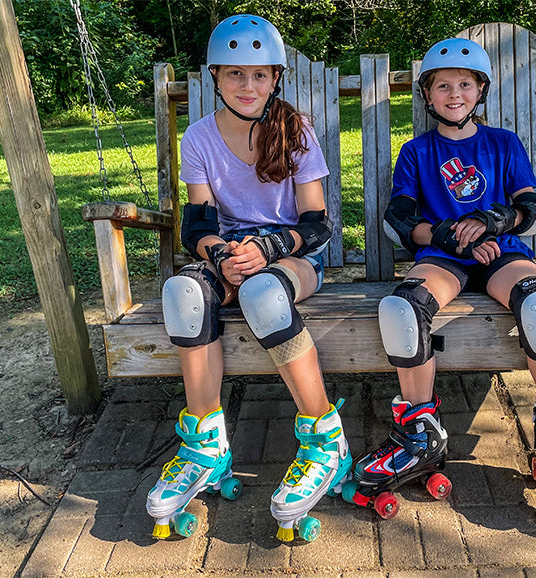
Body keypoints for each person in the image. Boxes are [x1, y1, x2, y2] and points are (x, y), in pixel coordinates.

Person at [347, 37, 536, 526]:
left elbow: (535, 210)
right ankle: (419, 434)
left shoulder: (502, 143)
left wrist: (492, 223)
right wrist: (449, 235)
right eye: (442, 86)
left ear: (481, 91)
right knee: (402, 308)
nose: (454, 93)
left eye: (465, 84)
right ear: (427, 95)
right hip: (443, 255)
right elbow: (400, 217)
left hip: (502, 252)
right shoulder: (416, 150)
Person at [146, 15, 350, 543]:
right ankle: (205, 446)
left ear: (276, 78)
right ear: (214, 77)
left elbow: (317, 223)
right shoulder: (199, 137)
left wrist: (266, 249)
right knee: (182, 291)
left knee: (262, 291)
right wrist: (220, 256)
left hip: (292, 256)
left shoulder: (295, 130)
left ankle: (326, 440)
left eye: (260, 75)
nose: (248, 86)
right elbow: (197, 223)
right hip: (229, 254)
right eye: (235, 73)